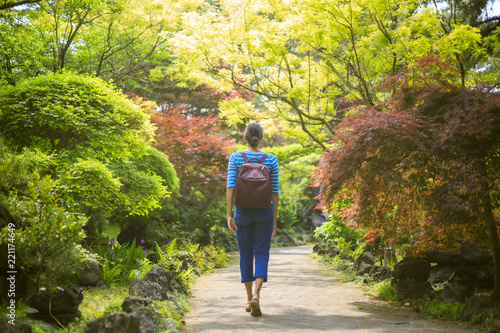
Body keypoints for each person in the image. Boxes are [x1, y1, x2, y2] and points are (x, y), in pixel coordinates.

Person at [226, 122, 279, 317]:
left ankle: (249, 299)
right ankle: (257, 295)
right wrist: (274, 219)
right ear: (262, 138)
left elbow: (230, 187)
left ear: (244, 137)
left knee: (245, 253)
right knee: (262, 253)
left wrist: (229, 214)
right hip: (265, 211)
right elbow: (275, 192)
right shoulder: (271, 159)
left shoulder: (236, 157)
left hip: (242, 212)